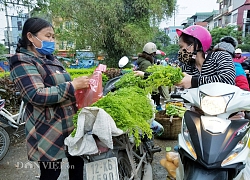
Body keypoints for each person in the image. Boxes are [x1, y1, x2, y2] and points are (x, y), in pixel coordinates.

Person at [9, 17, 89, 180]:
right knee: (51, 172)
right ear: (30, 37)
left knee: (77, 165)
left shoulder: (51, 59)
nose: (52, 40)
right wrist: (72, 86)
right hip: (48, 129)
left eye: (53, 36)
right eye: (48, 36)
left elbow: (63, 83)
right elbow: (35, 94)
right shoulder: (21, 61)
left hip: (69, 124)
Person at [135, 42, 162, 111]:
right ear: (151, 52)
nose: (155, 54)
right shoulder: (146, 63)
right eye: (154, 53)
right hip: (148, 88)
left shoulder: (145, 60)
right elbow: (147, 76)